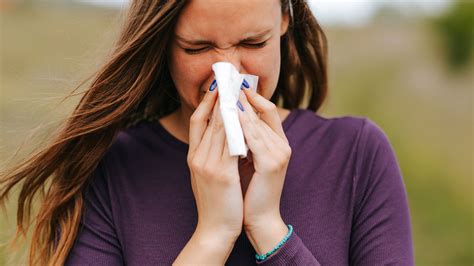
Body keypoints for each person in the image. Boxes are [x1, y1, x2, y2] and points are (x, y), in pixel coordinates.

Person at [0, 0, 415, 265]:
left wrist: (268, 228)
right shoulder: (114, 168)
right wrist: (213, 236)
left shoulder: (356, 153)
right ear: (163, 43)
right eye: (197, 48)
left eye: (253, 43)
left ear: (285, 21)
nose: (228, 74)